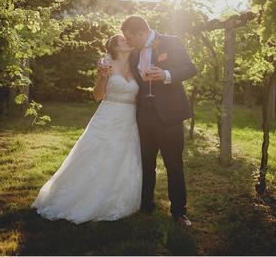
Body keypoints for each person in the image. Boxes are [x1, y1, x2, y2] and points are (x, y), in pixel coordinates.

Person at [31, 34, 142, 224]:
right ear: (114, 46)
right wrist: (102, 76)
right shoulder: (106, 64)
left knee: (123, 157)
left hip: (129, 119)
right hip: (107, 115)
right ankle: (79, 197)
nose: (128, 41)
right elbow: (98, 95)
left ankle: (117, 197)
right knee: (95, 153)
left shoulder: (137, 66)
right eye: (124, 40)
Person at [122, 15, 197, 226]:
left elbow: (191, 68)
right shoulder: (133, 53)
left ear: (141, 33)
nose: (128, 42)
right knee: (146, 163)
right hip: (144, 117)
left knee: (174, 164)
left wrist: (165, 73)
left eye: (130, 38)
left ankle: (179, 212)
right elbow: (115, 59)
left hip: (170, 116)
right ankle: (146, 206)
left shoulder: (171, 42)